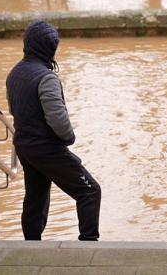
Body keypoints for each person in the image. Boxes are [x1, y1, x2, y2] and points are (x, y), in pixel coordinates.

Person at [6, 20, 101, 241]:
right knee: (89, 192)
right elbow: (58, 119)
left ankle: (31, 245)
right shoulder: (46, 78)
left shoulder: (15, 73)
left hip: (24, 146)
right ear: (50, 48)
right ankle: (89, 244)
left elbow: (13, 109)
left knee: (35, 197)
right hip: (47, 149)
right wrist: (69, 138)